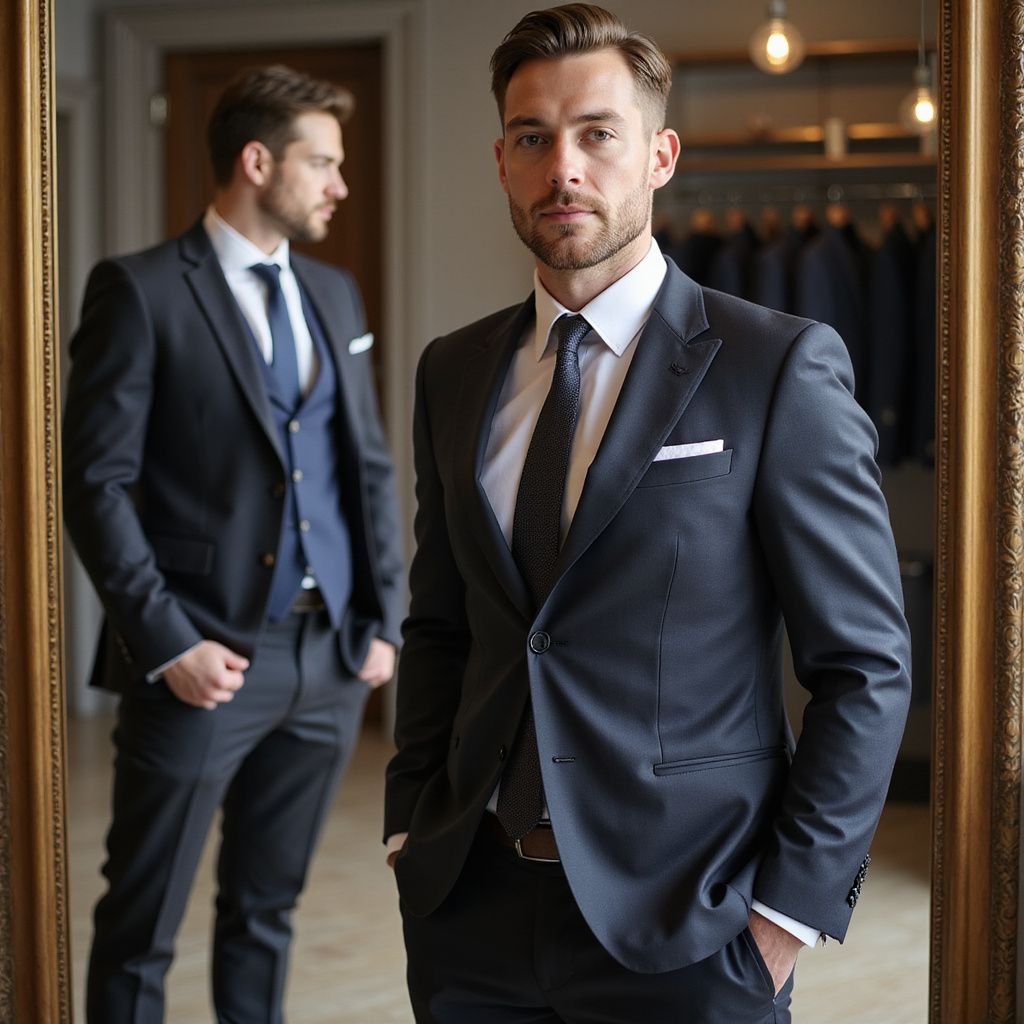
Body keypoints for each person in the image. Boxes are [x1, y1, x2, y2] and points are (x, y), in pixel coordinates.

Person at [383, 6, 911, 1023]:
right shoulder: (452, 371)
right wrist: (411, 827)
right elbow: (442, 622)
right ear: (501, 160)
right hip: (471, 917)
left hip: (691, 927)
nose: (562, 168)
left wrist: (783, 919)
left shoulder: (774, 364)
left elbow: (863, 666)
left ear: (660, 154)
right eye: (532, 138)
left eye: (597, 134)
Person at [63, 64, 403, 1023]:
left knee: (267, 909)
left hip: (328, 663)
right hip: (198, 660)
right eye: (322, 164)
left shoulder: (335, 297)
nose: (339, 185)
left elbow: (364, 466)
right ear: (257, 162)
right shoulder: (137, 291)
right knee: (140, 924)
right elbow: (96, 485)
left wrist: (379, 620)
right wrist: (167, 642)